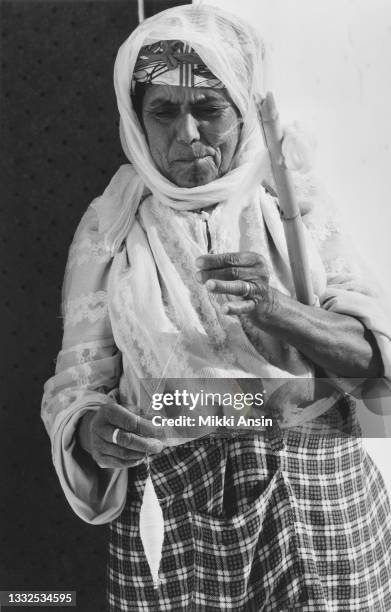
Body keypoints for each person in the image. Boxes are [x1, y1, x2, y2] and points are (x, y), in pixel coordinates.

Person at [41, 5, 391, 611]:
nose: (188, 135)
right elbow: (79, 388)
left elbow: (373, 359)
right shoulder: (112, 227)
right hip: (171, 502)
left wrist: (276, 309)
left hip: (313, 491)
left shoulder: (290, 198)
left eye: (208, 109)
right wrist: (96, 431)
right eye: (164, 113)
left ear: (244, 110)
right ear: (136, 121)